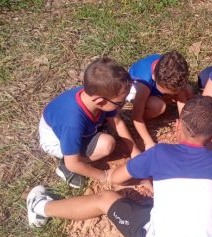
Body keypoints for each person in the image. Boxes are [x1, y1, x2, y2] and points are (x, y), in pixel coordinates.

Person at [27, 95, 212, 237]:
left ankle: (39, 207)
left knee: (105, 199)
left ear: (177, 125)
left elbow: (117, 178)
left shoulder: (159, 153)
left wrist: (128, 175)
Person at [39, 57, 141, 188]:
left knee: (108, 130)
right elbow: (73, 163)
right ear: (100, 101)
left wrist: (133, 149)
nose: (123, 104)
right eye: (120, 102)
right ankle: (63, 166)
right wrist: (104, 176)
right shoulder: (73, 122)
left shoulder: (98, 94)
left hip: (76, 128)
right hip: (56, 141)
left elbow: (117, 122)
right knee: (107, 144)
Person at [127, 51, 193, 150]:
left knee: (189, 91)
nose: (174, 94)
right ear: (154, 77)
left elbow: (182, 95)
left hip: (156, 86)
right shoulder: (143, 84)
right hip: (136, 89)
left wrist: (183, 120)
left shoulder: (172, 69)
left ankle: (164, 97)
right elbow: (136, 117)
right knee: (158, 107)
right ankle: (147, 115)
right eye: (170, 92)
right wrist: (148, 142)